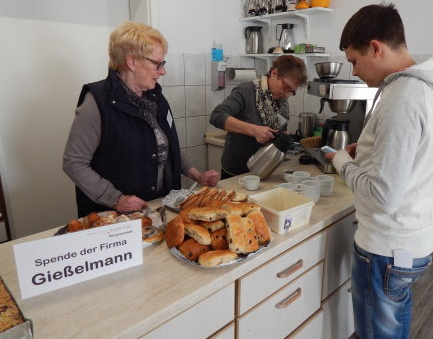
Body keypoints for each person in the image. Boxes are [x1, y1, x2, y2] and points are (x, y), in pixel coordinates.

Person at [325, 4, 433, 338]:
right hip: (412, 239)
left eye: (354, 61)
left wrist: (341, 161)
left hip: (386, 248)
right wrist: (372, 151)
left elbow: (382, 195)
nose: (355, 72)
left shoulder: (403, 96)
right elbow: (417, 153)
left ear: (376, 48)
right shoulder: (428, 85)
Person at [63, 21, 219, 217]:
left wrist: (196, 174)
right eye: (157, 63)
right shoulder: (97, 102)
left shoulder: (156, 98)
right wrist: (114, 198)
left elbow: (168, 146)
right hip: (113, 219)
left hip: (155, 209)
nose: (163, 71)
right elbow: (74, 162)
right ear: (132, 62)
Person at [210, 55, 307, 179]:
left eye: (292, 91)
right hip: (237, 172)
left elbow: (278, 131)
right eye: (286, 88)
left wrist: (282, 137)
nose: (287, 95)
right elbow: (217, 116)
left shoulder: (280, 102)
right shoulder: (246, 90)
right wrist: (254, 130)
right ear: (274, 73)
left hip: (266, 170)